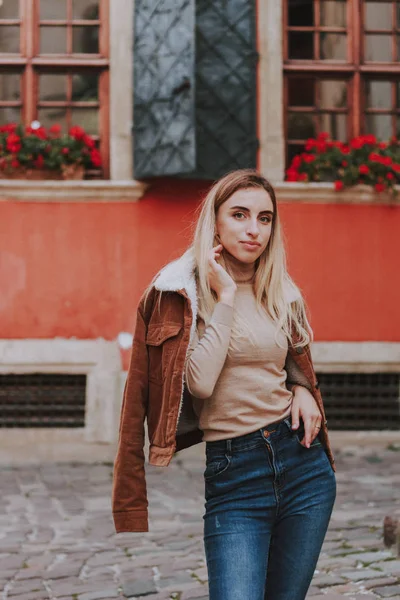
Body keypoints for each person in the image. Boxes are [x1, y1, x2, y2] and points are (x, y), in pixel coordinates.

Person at [112, 169, 336, 600]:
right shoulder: (180, 291)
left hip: (303, 466)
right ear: (215, 221)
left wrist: (303, 388)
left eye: (265, 218)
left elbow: (290, 356)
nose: (254, 230)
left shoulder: (280, 288)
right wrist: (227, 297)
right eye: (240, 215)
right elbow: (199, 382)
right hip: (236, 473)